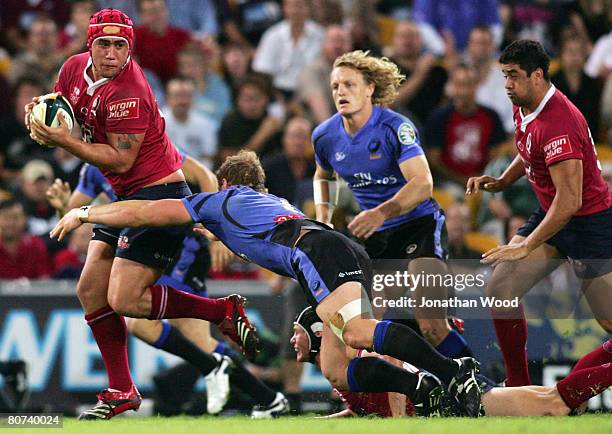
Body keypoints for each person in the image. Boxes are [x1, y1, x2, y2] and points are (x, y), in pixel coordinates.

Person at [51, 150, 485, 417]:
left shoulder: (219, 201)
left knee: (356, 332)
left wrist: (86, 214)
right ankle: (422, 388)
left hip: (315, 253)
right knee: (336, 367)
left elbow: (144, 213)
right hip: (335, 248)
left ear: (224, 184)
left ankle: (452, 372)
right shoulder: (267, 199)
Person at [26, 8, 258, 419]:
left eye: (121, 45)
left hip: (157, 194)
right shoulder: (71, 69)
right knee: (90, 291)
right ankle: (121, 389)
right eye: (104, 44)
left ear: (129, 48)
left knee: (125, 299)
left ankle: (221, 310)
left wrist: (61, 140)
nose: (113, 53)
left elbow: (117, 160)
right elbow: (63, 110)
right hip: (122, 198)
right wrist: (43, 117)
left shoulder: (130, 90)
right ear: (89, 45)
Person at [46, 157, 289, 418]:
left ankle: (225, 369)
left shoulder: (147, 146)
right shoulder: (92, 168)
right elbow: (72, 215)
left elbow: (204, 174)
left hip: (180, 245)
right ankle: (268, 398)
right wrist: (63, 208)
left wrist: (215, 225)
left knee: (141, 322)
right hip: (135, 235)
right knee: (197, 341)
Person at [466, 40, 612, 387]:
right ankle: (519, 386)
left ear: (537, 75)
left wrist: (527, 244)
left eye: (513, 76)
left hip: (588, 224)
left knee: (608, 322)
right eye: (504, 76)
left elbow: (571, 200)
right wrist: (502, 181)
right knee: (501, 287)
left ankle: (574, 386)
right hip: (553, 213)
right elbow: (530, 148)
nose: (507, 85)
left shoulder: (560, 121)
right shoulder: (526, 103)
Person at [312, 50, 472, 359]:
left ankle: (474, 384)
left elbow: (424, 184)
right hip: (379, 237)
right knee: (369, 330)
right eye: (335, 86)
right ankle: (390, 403)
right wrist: (324, 217)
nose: (341, 92)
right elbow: (322, 176)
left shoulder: (395, 128)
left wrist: (381, 211)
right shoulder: (325, 136)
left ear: (370, 88)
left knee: (431, 325)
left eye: (349, 84)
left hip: (419, 228)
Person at [291, 306, 612, 418]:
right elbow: (367, 404)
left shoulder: (348, 354)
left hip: (451, 399)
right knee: (553, 400)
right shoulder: (341, 368)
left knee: (555, 403)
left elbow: (388, 358)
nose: (292, 340)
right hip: (447, 397)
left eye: (297, 332)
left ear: (316, 331)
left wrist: (401, 416)